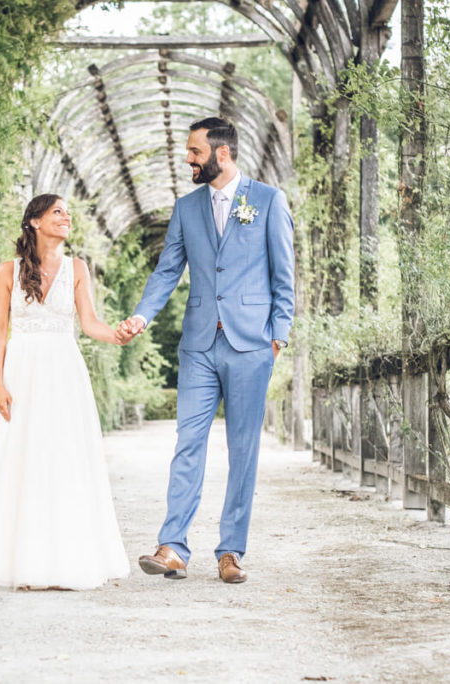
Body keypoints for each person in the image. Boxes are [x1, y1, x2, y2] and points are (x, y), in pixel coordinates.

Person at [117, 117, 295, 584]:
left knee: (243, 451)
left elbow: (284, 277)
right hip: (197, 343)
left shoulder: (268, 201)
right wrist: (143, 315)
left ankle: (231, 551)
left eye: (195, 152)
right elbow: (167, 270)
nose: (188, 160)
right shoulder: (185, 208)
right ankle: (173, 546)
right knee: (187, 445)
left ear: (223, 153)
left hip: (251, 343)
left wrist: (278, 335)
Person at [0, 194, 130, 590]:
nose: (66, 217)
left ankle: (67, 558)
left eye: (68, 213)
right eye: (57, 212)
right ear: (34, 221)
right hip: (21, 371)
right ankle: (15, 559)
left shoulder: (77, 268)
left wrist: (116, 336)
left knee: (64, 457)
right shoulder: (7, 272)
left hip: (64, 373)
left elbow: (90, 324)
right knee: (19, 458)